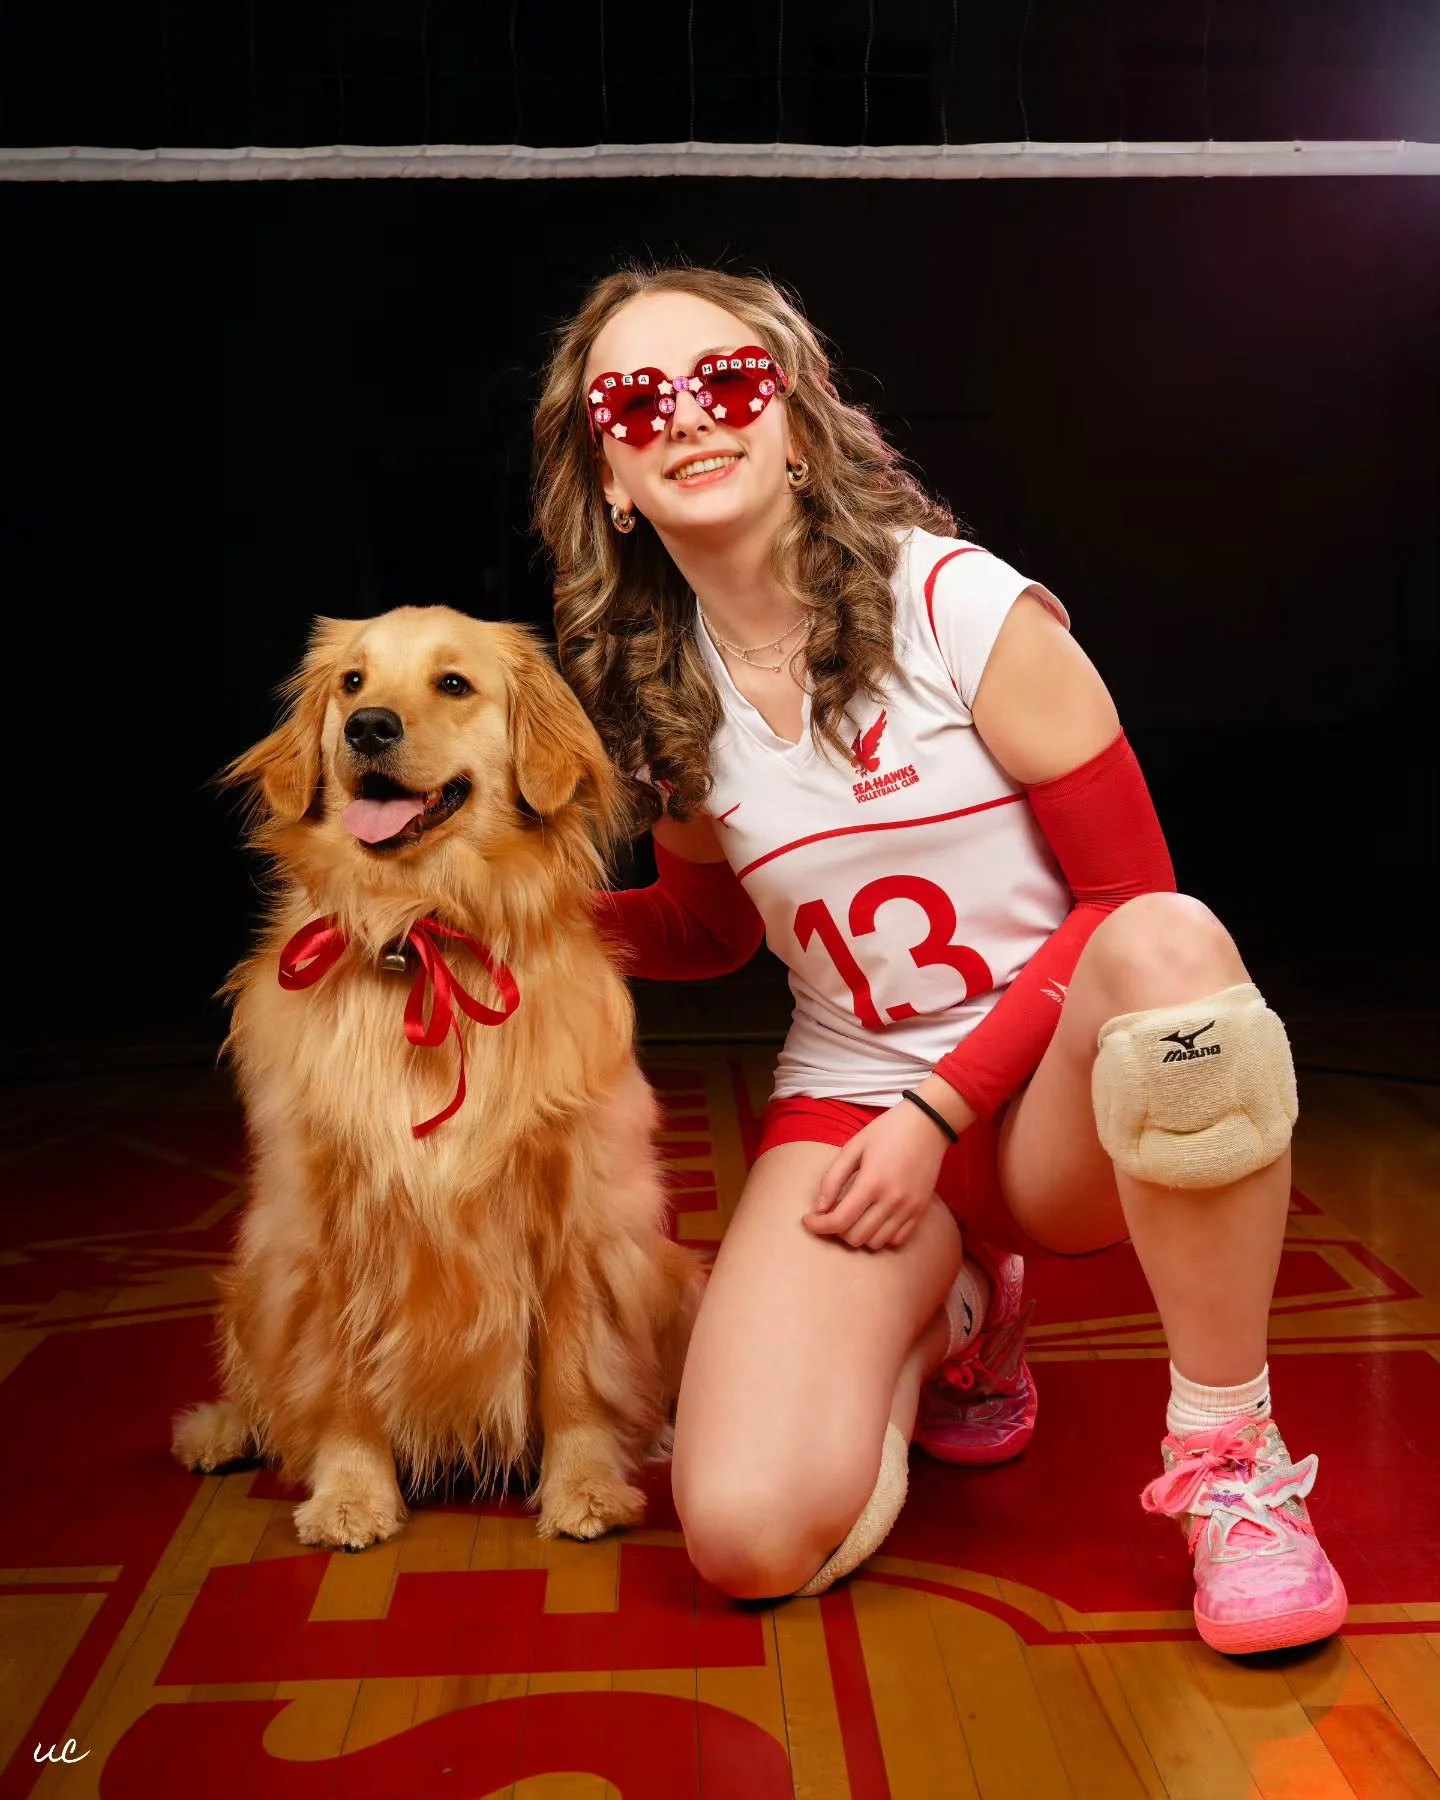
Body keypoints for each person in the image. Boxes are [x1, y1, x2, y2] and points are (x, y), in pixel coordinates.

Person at [530, 264, 1346, 1656]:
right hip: (854, 1107)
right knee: (740, 1536)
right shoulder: (655, 679)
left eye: (727, 380)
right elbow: (716, 928)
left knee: (1175, 948)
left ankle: (1232, 1460)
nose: (689, 417)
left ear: (796, 419)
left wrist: (941, 1109)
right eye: (636, 399)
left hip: (1052, 1106)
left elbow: (1127, 897)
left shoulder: (957, 605)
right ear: (607, 472)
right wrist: (523, 927)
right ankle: (958, 1311)